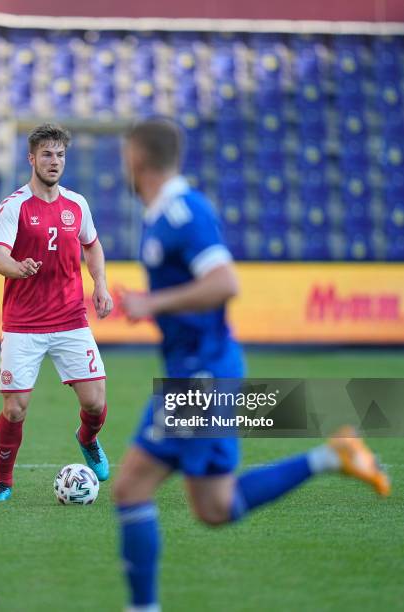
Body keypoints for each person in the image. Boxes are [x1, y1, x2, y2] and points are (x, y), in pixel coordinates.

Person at [113, 118, 390, 612]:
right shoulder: (163, 214)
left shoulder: (183, 213)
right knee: (214, 507)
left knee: (132, 485)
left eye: (124, 158)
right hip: (201, 368)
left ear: (137, 157)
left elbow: (225, 283)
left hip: (201, 374)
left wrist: (152, 304)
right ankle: (332, 455)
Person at [0, 123, 113, 502]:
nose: (54, 161)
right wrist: (17, 267)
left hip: (71, 318)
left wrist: (100, 285)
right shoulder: (15, 206)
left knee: (95, 402)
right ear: (32, 159)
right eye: (47, 155)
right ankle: (3, 482)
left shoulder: (77, 204)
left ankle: (87, 438)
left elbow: (92, 245)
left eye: (59, 155)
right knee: (15, 409)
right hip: (24, 324)